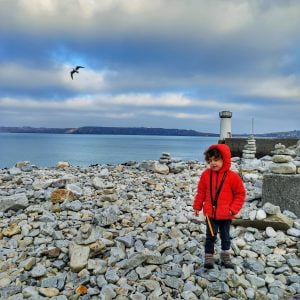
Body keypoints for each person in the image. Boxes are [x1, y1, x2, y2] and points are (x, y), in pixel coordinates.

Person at [193, 144, 246, 269]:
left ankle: (225, 256)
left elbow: (240, 194)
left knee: (225, 236)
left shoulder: (233, 177)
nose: (213, 163)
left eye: (216, 160)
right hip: (210, 214)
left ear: (225, 159)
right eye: (210, 161)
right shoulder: (206, 175)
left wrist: (233, 209)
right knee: (210, 236)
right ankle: (208, 257)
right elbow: (201, 192)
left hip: (226, 214)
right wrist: (197, 206)